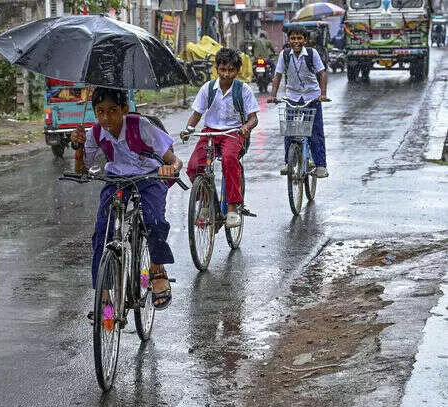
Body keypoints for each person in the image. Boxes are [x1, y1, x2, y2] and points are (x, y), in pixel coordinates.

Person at [70, 88, 183, 310]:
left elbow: (174, 160)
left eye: (112, 111)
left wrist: (170, 168)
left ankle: (157, 270)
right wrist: (79, 147)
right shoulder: (95, 133)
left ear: (124, 110)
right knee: (102, 232)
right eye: (100, 111)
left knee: (154, 221)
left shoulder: (141, 126)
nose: (106, 118)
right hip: (116, 179)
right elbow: (82, 170)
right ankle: (104, 294)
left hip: (149, 177)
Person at [181, 48, 259, 228]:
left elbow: (253, 118)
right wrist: (188, 129)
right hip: (210, 132)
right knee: (194, 165)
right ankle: (206, 202)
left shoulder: (243, 90)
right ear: (217, 69)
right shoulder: (207, 88)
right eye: (223, 69)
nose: (226, 74)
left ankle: (232, 208)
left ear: (237, 70)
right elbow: (197, 114)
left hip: (233, 133)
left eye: (231, 70)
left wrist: (246, 127)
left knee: (229, 160)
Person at [268, 26, 330, 178]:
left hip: (312, 96)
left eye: (299, 38)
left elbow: (322, 73)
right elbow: (277, 75)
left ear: (305, 40)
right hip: (292, 96)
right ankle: (288, 163)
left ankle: (320, 165)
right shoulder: (285, 54)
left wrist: (322, 94)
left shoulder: (311, 53)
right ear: (288, 40)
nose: (296, 41)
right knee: (290, 129)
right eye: (293, 38)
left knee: (315, 131)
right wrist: (273, 95)